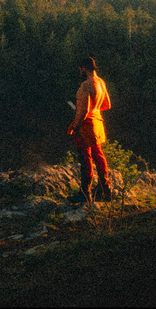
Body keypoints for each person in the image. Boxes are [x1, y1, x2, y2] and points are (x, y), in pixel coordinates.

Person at [67, 56, 112, 202]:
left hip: (85, 125)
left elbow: (85, 111)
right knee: (99, 156)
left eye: (80, 69)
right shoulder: (101, 82)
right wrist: (93, 109)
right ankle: (106, 190)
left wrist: (75, 127)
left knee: (85, 159)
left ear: (84, 68)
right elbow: (107, 105)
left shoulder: (86, 85)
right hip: (97, 123)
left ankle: (85, 193)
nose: (80, 71)